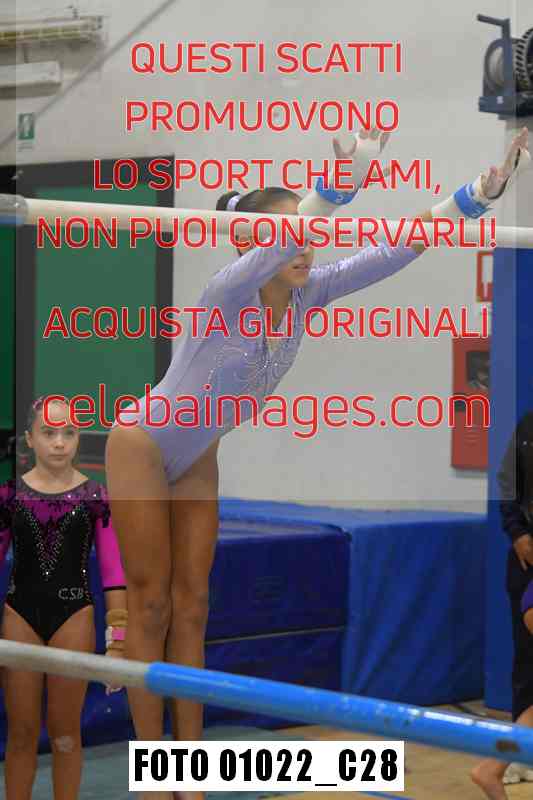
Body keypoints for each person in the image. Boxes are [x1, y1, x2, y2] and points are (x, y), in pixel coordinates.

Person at [105, 128, 531, 800]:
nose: (306, 248)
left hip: (200, 451)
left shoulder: (310, 293)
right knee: (151, 602)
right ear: (252, 243)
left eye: (309, 235)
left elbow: (393, 250)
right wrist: (340, 184)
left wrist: (474, 196)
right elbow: (288, 236)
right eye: (290, 235)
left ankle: (182, 769)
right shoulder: (224, 294)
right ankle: (149, 765)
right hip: (143, 443)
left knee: (194, 606)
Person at [0, 396, 128, 800]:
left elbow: (113, 573)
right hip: (20, 616)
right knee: (21, 734)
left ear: (79, 438)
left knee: (66, 734)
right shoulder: (10, 496)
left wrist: (117, 644)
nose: (59, 442)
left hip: (73, 617)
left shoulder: (96, 497)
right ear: (29, 439)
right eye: (49, 432)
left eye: (68, 433)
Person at [472, 408, 533, 798]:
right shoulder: (528, 427)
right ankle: (506, 760)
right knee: (528, 668)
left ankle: (497, 763)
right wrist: (518, 532)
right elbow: (507, 482)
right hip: (528, 567)